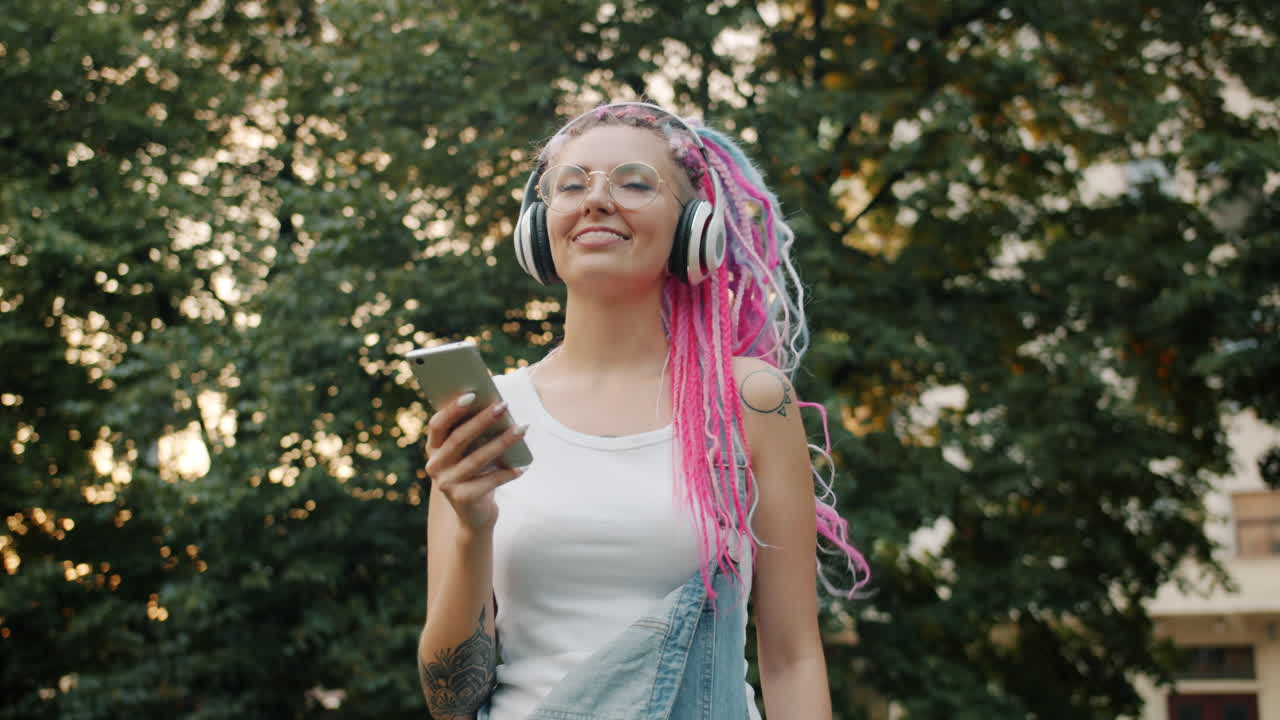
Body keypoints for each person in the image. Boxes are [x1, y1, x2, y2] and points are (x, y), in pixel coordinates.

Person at [416, 101, 868, 719]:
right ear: (539, 226)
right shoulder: (490, 413)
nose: (596, 200)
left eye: (633, 182)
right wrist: (472, 526)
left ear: (695, 229)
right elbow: (451, 701)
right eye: (571, 185)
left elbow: (792, 658)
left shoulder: (750, 401)